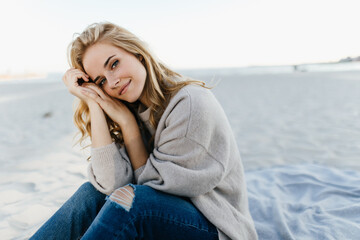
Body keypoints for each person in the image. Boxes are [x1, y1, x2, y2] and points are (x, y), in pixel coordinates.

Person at [30, 22, 258, 240]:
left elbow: (148, 190)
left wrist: (129, 126)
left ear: (137, 53)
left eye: (114, 64)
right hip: (163, 218)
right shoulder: (128, 107)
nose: (112, 82)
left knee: (132, 202)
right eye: (100, 81)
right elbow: (110, 184)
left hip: (215, 226)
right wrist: (93, 102)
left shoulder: (190, 104)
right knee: (90, 194)